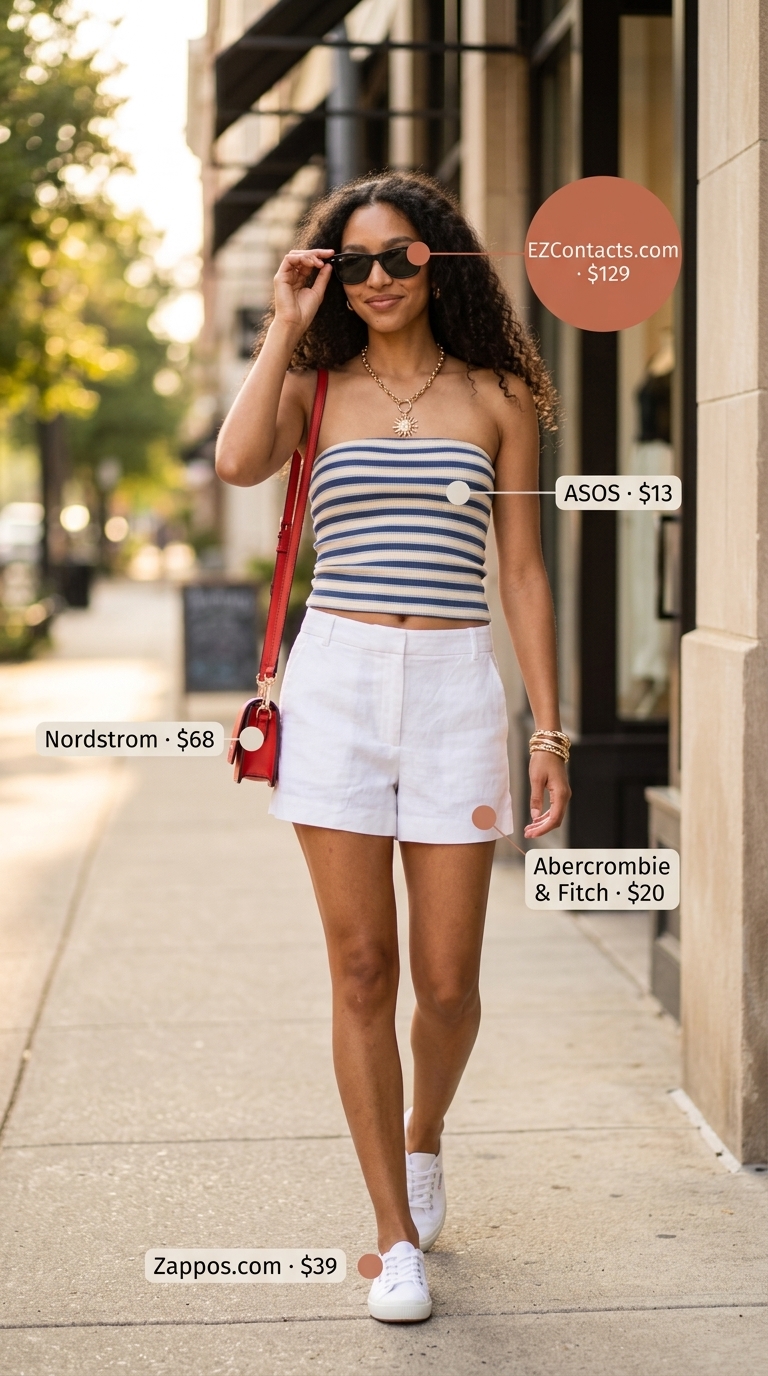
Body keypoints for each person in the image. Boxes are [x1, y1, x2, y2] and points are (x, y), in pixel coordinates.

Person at [216, 171, 570, 1323]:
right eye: (351, 261)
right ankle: (393, 1233)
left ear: (440, 261)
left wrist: (549, 727)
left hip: (460, 688)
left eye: (398, 256)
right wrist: (280, 322)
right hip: (338, 685)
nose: (375, 278)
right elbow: (232, 463)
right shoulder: (315, 384)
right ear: (329, 273)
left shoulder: (499, 393)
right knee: (363, 966)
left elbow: (521, 570)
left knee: (450, 981)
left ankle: (425, 1133)